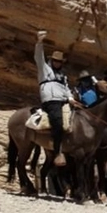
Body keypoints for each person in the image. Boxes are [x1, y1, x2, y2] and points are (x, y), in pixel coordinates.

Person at [35, 30, 71, 167]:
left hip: (64, 100)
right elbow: (39, 58)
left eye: (59, 61)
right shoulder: (45, 70)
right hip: (51, 101)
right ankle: (57, 152)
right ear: (52, 60)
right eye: (55, 61)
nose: (57, 63)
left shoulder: (63, 76)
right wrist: (39, 43)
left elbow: (67, 89)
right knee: (58, 122)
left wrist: (71, 98)